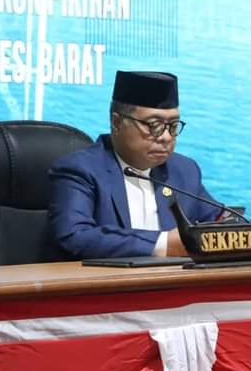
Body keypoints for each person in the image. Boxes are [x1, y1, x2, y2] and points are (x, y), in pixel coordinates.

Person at [48, 71, 222, 259]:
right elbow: (75, 236)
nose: (166, 137)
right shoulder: (80, 170)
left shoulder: (184, 170)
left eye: (173, 126)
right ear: (117, 122)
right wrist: (164, 245)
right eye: (154, 125)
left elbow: (221, 220)